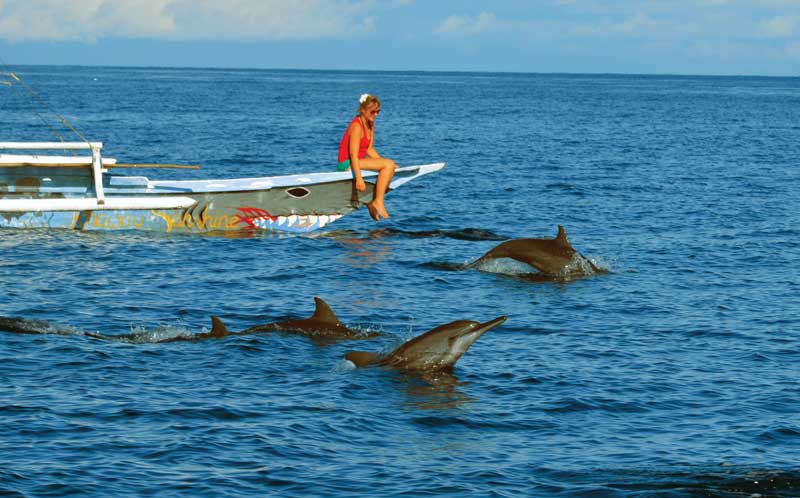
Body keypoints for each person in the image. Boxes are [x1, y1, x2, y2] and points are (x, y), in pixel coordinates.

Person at [337, 94, 396, 221]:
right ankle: (378, 201)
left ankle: (370, 201)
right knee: (388, 164)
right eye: (372, 111)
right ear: (362, 110)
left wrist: (383, 163)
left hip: (359, 162)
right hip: (347, 164)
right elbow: (353, 154)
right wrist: (359, 178)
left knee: (389, 165)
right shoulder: (357, 126)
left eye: (378, 112)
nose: (375, 115)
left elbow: (370, 149)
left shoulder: (370, 124)